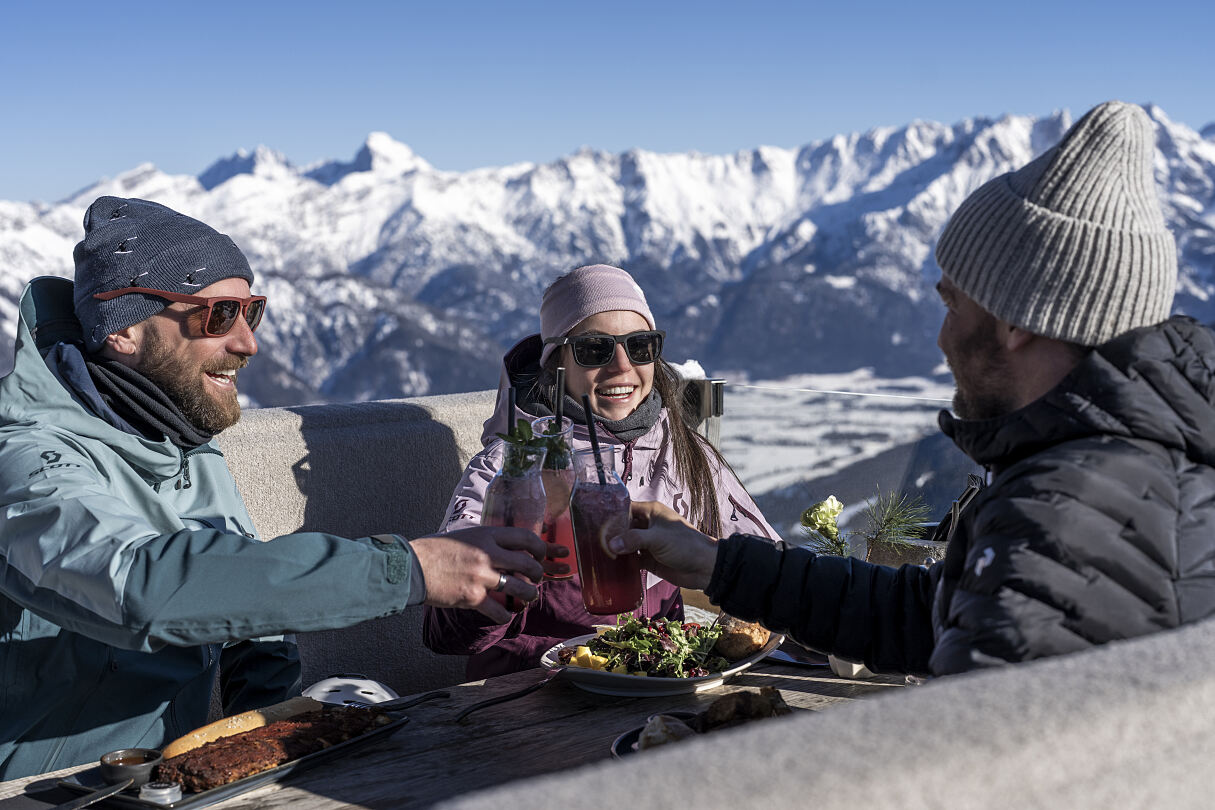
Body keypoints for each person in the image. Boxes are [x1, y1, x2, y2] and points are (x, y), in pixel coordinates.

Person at [609, 100, 1215, 677]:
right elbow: (927, 616)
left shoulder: (1060, 522)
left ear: (1016, 322)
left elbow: (974, 764)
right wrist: (718, 563)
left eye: (953, 305)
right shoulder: (1143, 465)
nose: (943, 339)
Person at [0, 197, 565, 779]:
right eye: (220, 314)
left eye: (253, 312)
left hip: (157, 783)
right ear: (123, 330)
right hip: (39, 790)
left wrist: (270, 744)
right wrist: (408, 569)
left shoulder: (183, 445)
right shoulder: (25, 462)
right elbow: (138, 584)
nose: (248, 343)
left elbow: (254, 627)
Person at [422, 264, 776, 677]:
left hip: (656, 688)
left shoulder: (685, 452)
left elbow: (770, 572)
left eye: (640, 345)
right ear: (556, 362)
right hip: (530, 697)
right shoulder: (511, 466)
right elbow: (443, 635)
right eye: (594, 349)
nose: (622, 367)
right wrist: (507, 576)